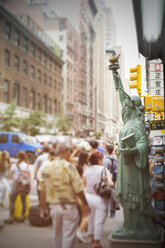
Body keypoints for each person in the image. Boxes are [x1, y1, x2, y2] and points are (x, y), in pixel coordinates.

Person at [111, 69, 161, 240]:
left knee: (133, 198)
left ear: (132, 107)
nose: (124, 107)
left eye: (127, 106)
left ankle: (137, 227)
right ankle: (129, 225)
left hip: (134, 172)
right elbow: (124, 99)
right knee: (127, 200)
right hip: (126, 168)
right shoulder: (129, 120)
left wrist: (132, 150)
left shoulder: (138, 124)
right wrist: (117, 79)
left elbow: (144, 146)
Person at [38, 143, 90, 248]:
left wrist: (44, 208)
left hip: (54, 207)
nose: (70, 154)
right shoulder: (70, 167)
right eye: (69, 151)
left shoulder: (47, 167)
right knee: (68, 235)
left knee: (57, 233)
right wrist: (85, 203)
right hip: (68, 206)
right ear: (65, 152)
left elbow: (42, 190)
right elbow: (79, 189)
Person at [83, 151, 114, 248]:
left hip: (88, 197)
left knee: (91, 218)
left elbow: (83, 184)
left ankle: (92, 236)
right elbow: (111, 184)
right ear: (99, 160)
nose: (103, 160)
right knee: (99, 221)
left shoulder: (87, 170)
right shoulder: (104, 170)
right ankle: (97, 243)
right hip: (100, 199)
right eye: (102, 159)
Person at [5, 151, 30, 224]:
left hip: (16, 185)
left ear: (18, 156)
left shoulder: (15, 165)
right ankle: (22, 217)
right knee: (23, 201)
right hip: (24, 185)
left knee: (12, 201)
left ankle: (11, 217)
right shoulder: (26, 165)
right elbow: (29, 176)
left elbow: (11, 176)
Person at [76, 151, 90, 243]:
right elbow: (84, 181)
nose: (89, 157)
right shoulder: (84, 168)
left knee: (84, 214)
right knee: (88, 214)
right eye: (88, 156)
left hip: (80, 192)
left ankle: (84, 233)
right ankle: (80, 232)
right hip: (84, 192)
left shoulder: (78, 166)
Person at [104, 144, 118, 217]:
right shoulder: (115, 158)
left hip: (108, 178)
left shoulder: (106, 160)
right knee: (112, 194)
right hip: (114, 178)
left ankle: (106, 210)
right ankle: (112, 211)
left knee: (106, 195)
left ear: (106, 150)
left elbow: (104, 170)